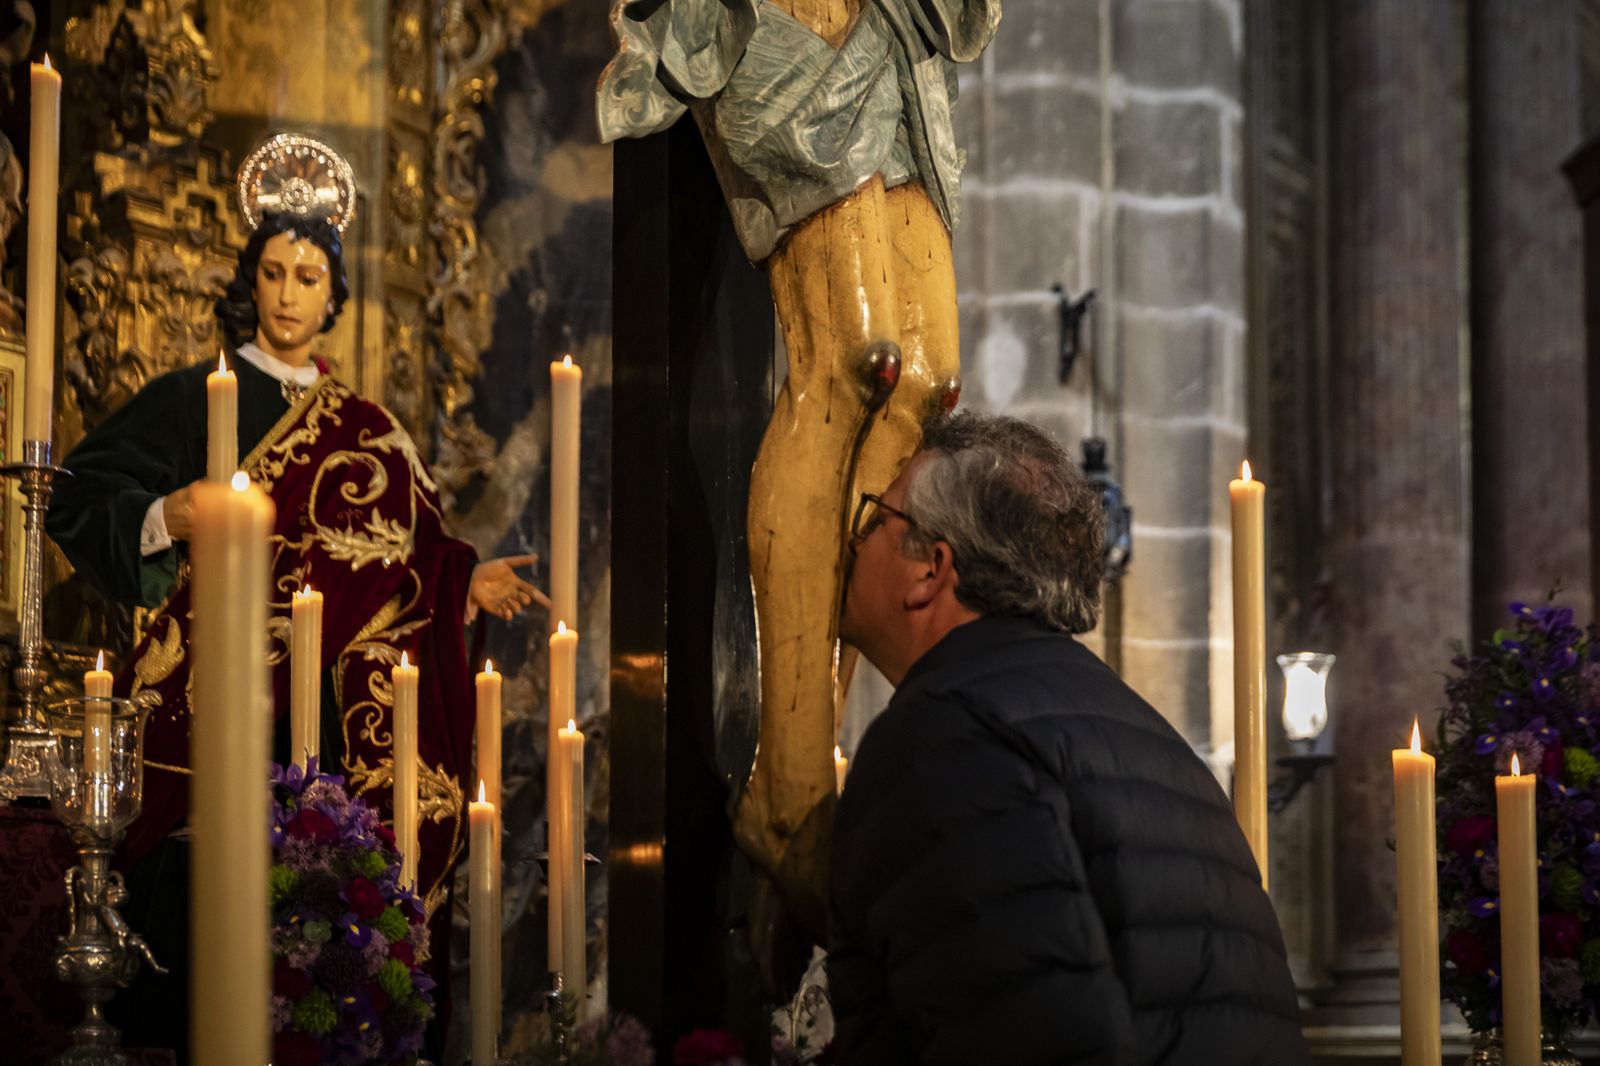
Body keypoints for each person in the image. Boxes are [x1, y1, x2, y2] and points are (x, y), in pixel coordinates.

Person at [45, 143, 539, 1055]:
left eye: (308, 276)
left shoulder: (368, 428)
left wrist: (465, 580)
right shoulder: (195, 398)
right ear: (251, 277)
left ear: (332, 293)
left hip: (328, 745)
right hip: (209, 727)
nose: (287, 293)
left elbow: (405, 562)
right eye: (273, 271)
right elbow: (76, 497)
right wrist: (167, 515)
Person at [827, 411, 1310, 1065]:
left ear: (930, 570)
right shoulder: (1154, 740)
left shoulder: (948, 732)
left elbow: (1020, 1040)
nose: (852, 544)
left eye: (873, 519)